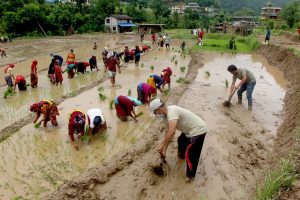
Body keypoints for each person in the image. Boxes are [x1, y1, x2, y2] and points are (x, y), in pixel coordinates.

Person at [149, 99, 207, 181]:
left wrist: (161, 144)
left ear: (158, 109)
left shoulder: (171, 111)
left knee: (190, 154)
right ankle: (181, 156)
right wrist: (164, 149)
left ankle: (190, 176)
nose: (156, 114)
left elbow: (172, 131)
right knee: (181, 141)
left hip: (198, 130)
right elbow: (168, 134)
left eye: (155, 112)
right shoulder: (166, 118)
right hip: (188, 130)